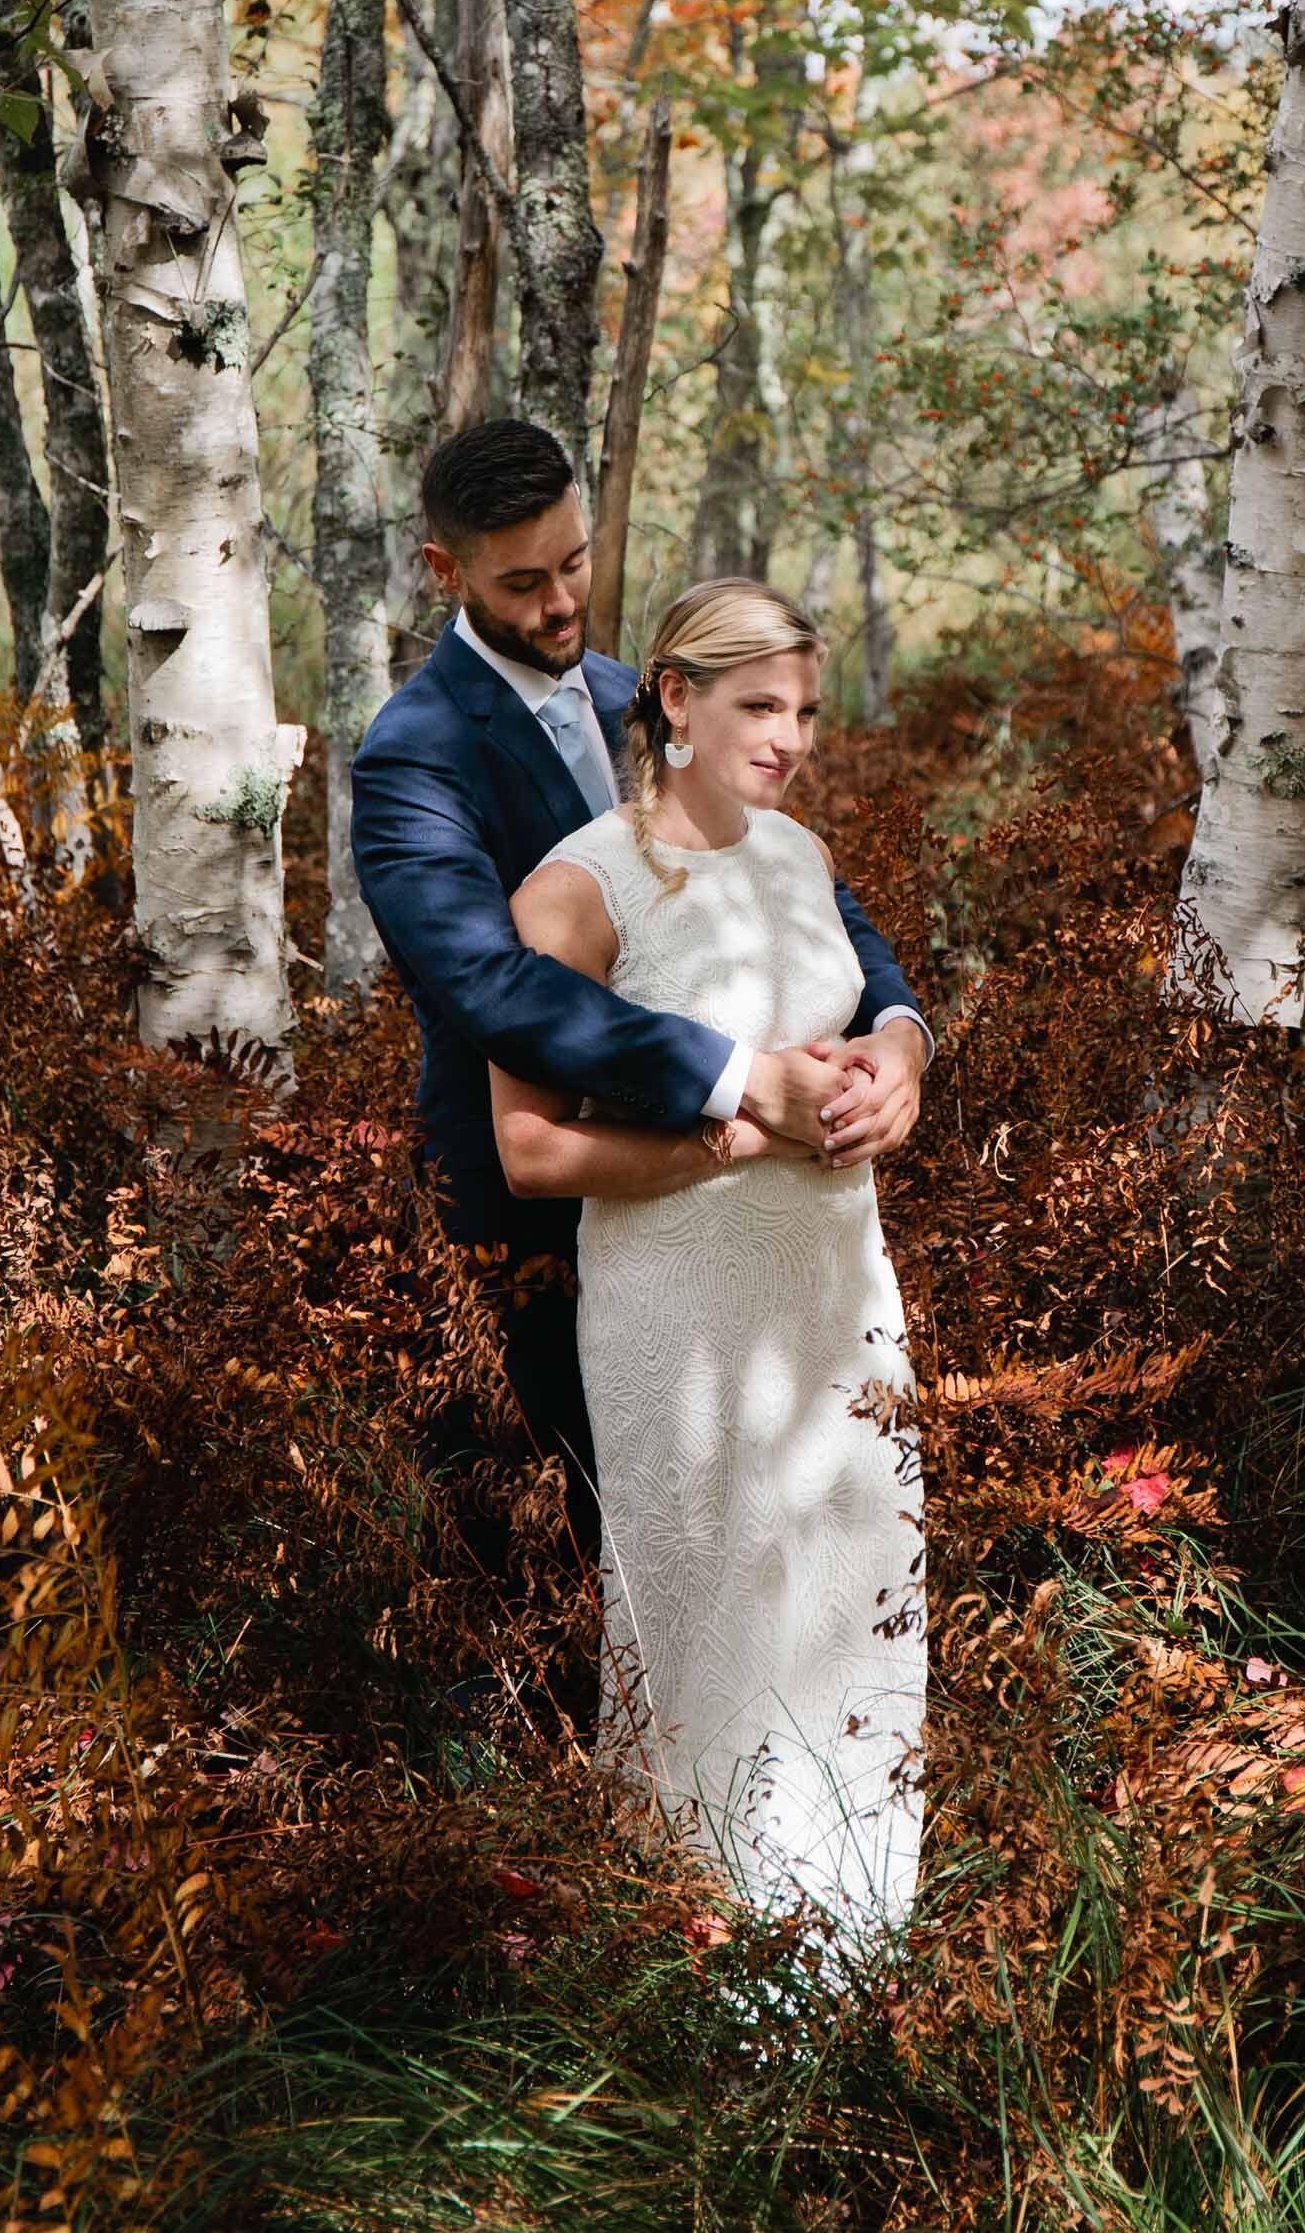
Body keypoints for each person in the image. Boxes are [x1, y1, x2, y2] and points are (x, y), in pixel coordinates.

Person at [349, 420, 930, 1554]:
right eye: (522, 582)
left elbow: (805, 886)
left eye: (574, 563)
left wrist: (901, 1035)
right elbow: (490, 989)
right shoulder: (411, 756)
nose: (563, 603)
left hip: (760, 1234)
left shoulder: (645, 696)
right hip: (535, 1199)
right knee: (563, 1534)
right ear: (443, 571)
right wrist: (737, 1082)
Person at [488, 577, 925, 1941]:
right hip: (680, 1312)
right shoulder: (579, 888)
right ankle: (711, 1962)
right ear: (673, 699)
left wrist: (893, 1068)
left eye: (803, 709)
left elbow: (869, 1005)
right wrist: (719, 1141)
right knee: (712, 1631)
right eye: (757, 706)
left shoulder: (797, 860)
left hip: (838, 1296)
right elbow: (529, 1153)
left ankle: (865, 1947)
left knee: (857, 1607)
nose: (788, 737)